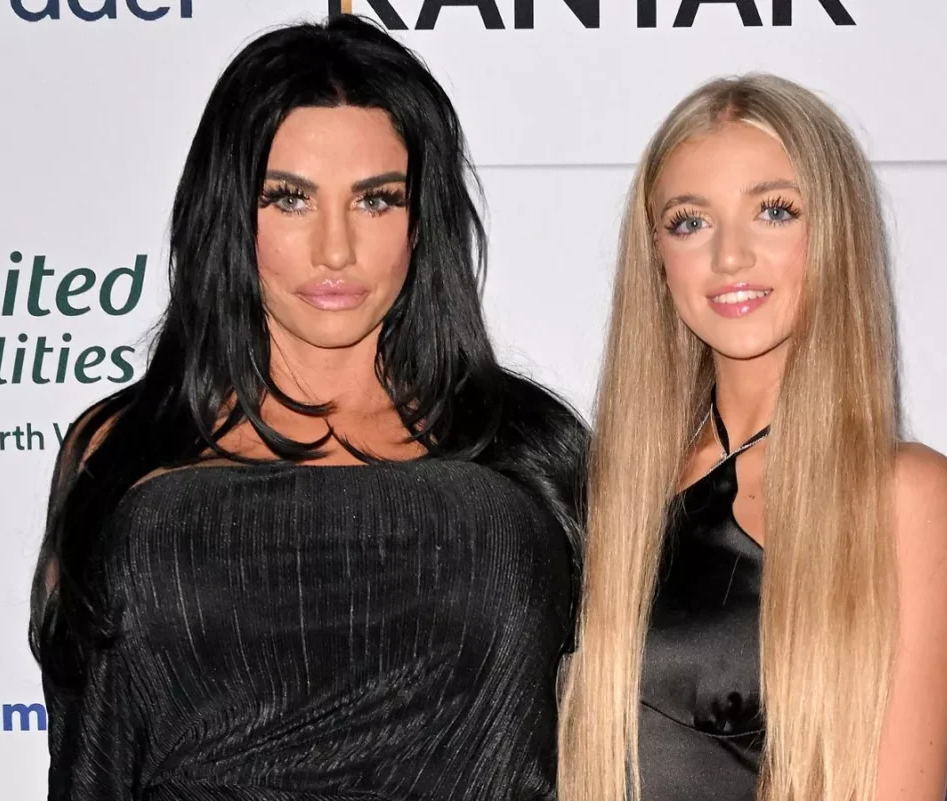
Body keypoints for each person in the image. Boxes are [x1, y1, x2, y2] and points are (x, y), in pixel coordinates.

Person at [30, 15, 585, 801]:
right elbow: (89, 752)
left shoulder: (529, 450)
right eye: (289, 199)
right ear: (230, 212)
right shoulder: (122, 448)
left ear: (421, 220)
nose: (335, 250)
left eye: (376, 200)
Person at [559, 75, 947, 801]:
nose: (730, 257)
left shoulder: (902, 493)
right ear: (657, 257)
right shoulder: (603, 494)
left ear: (834, 233)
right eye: (690, 221)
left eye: (775, 211)